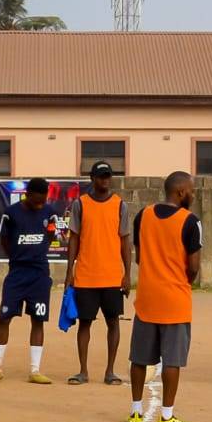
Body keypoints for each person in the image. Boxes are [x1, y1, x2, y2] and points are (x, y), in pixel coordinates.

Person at [127, 171, 202, 422]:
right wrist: (181, 280)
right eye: (191, 191)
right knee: (172, 361)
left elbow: (139, 257)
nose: (193, 195)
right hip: (175, 300)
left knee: (139, 358)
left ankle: (136, 411)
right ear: (181, 192)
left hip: (147, 298)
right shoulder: (190, 221)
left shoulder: (143, 215)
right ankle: (167, 417)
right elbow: (194, 267)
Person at [0, 177, 56, 384]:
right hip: (17, 274)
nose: (40, 204)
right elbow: (4, 240)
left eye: (43, 201)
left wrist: (37, 253)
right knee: (4, 318)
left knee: (38, 320)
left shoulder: (49, 213)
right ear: (27, 195)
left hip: (39, 274)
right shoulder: (11, 213)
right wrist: (17, 256)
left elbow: (50, 236)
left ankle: (35, 370)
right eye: (37, 201)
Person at [63, 161, 133, 385]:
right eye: (101, 176)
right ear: (92, 179)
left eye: (107, 176)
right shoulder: (80, 204)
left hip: (112, 276)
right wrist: (69, 271)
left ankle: (110, 371)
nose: (105, 180)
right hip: (86, 275)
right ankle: (83, 371)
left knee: (113, 322)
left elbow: (125, 241)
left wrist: (127, 274)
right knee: (85, 323)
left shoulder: (120, 205)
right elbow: (74, 239)